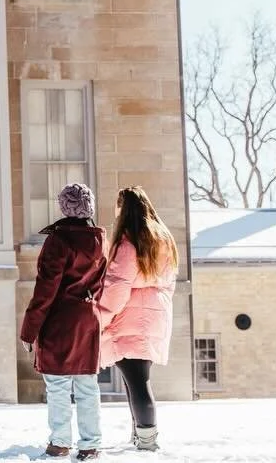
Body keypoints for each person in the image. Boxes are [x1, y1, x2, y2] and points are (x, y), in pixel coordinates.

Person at [19, 182, 108, 460]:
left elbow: (45, 289)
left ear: (64, 207)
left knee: (58, 385)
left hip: (60, 321)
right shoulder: (100, 239)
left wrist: (29, 330)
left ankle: (60, 443)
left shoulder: (58, 240)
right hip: (88, 318)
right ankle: (90, 444)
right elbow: (103, 283)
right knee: (87, 385)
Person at [96, 186, 178, 453]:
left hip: (131, 317)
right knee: (138, 380)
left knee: (137, 382)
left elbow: (118, 287)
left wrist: (100, 317)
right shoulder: (163, 239)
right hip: (155, 315)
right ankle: (140, 436)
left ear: (124, 208)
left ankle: (147, 441)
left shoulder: (128, 242)